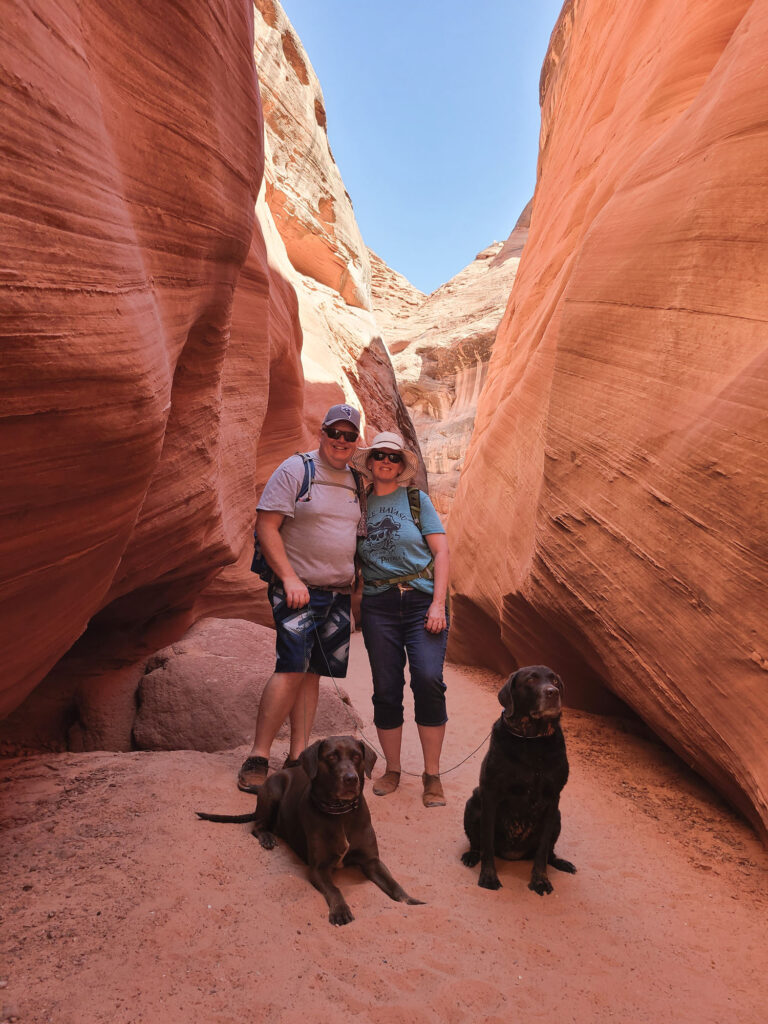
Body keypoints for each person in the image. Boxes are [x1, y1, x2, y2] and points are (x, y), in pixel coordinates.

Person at [237, 403, 365, 792]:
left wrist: (353, 595)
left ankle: (297, 758)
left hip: (337, 595)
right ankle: (259, 755)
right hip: (297, 590)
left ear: (356, 440)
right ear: (322, 433)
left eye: (348, 435)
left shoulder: (357, 482)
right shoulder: (297, 469)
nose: (340, 441)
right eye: (334, 432)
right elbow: (267, 525)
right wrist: (290, 579)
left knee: (313, 673)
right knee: (292, 667)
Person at [351, 431, 450, 807]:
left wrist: (438, 603)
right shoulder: (359, 504)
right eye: (380, 456)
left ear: (400, 465)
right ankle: (392, 768)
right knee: (387, 687)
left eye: (393, 457)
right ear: (371, 461)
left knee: (428, 680)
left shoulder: (415, 500)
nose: (386, 462)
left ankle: (432, 775)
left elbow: (441, 552)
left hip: (421, 601)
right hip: (379, 605)